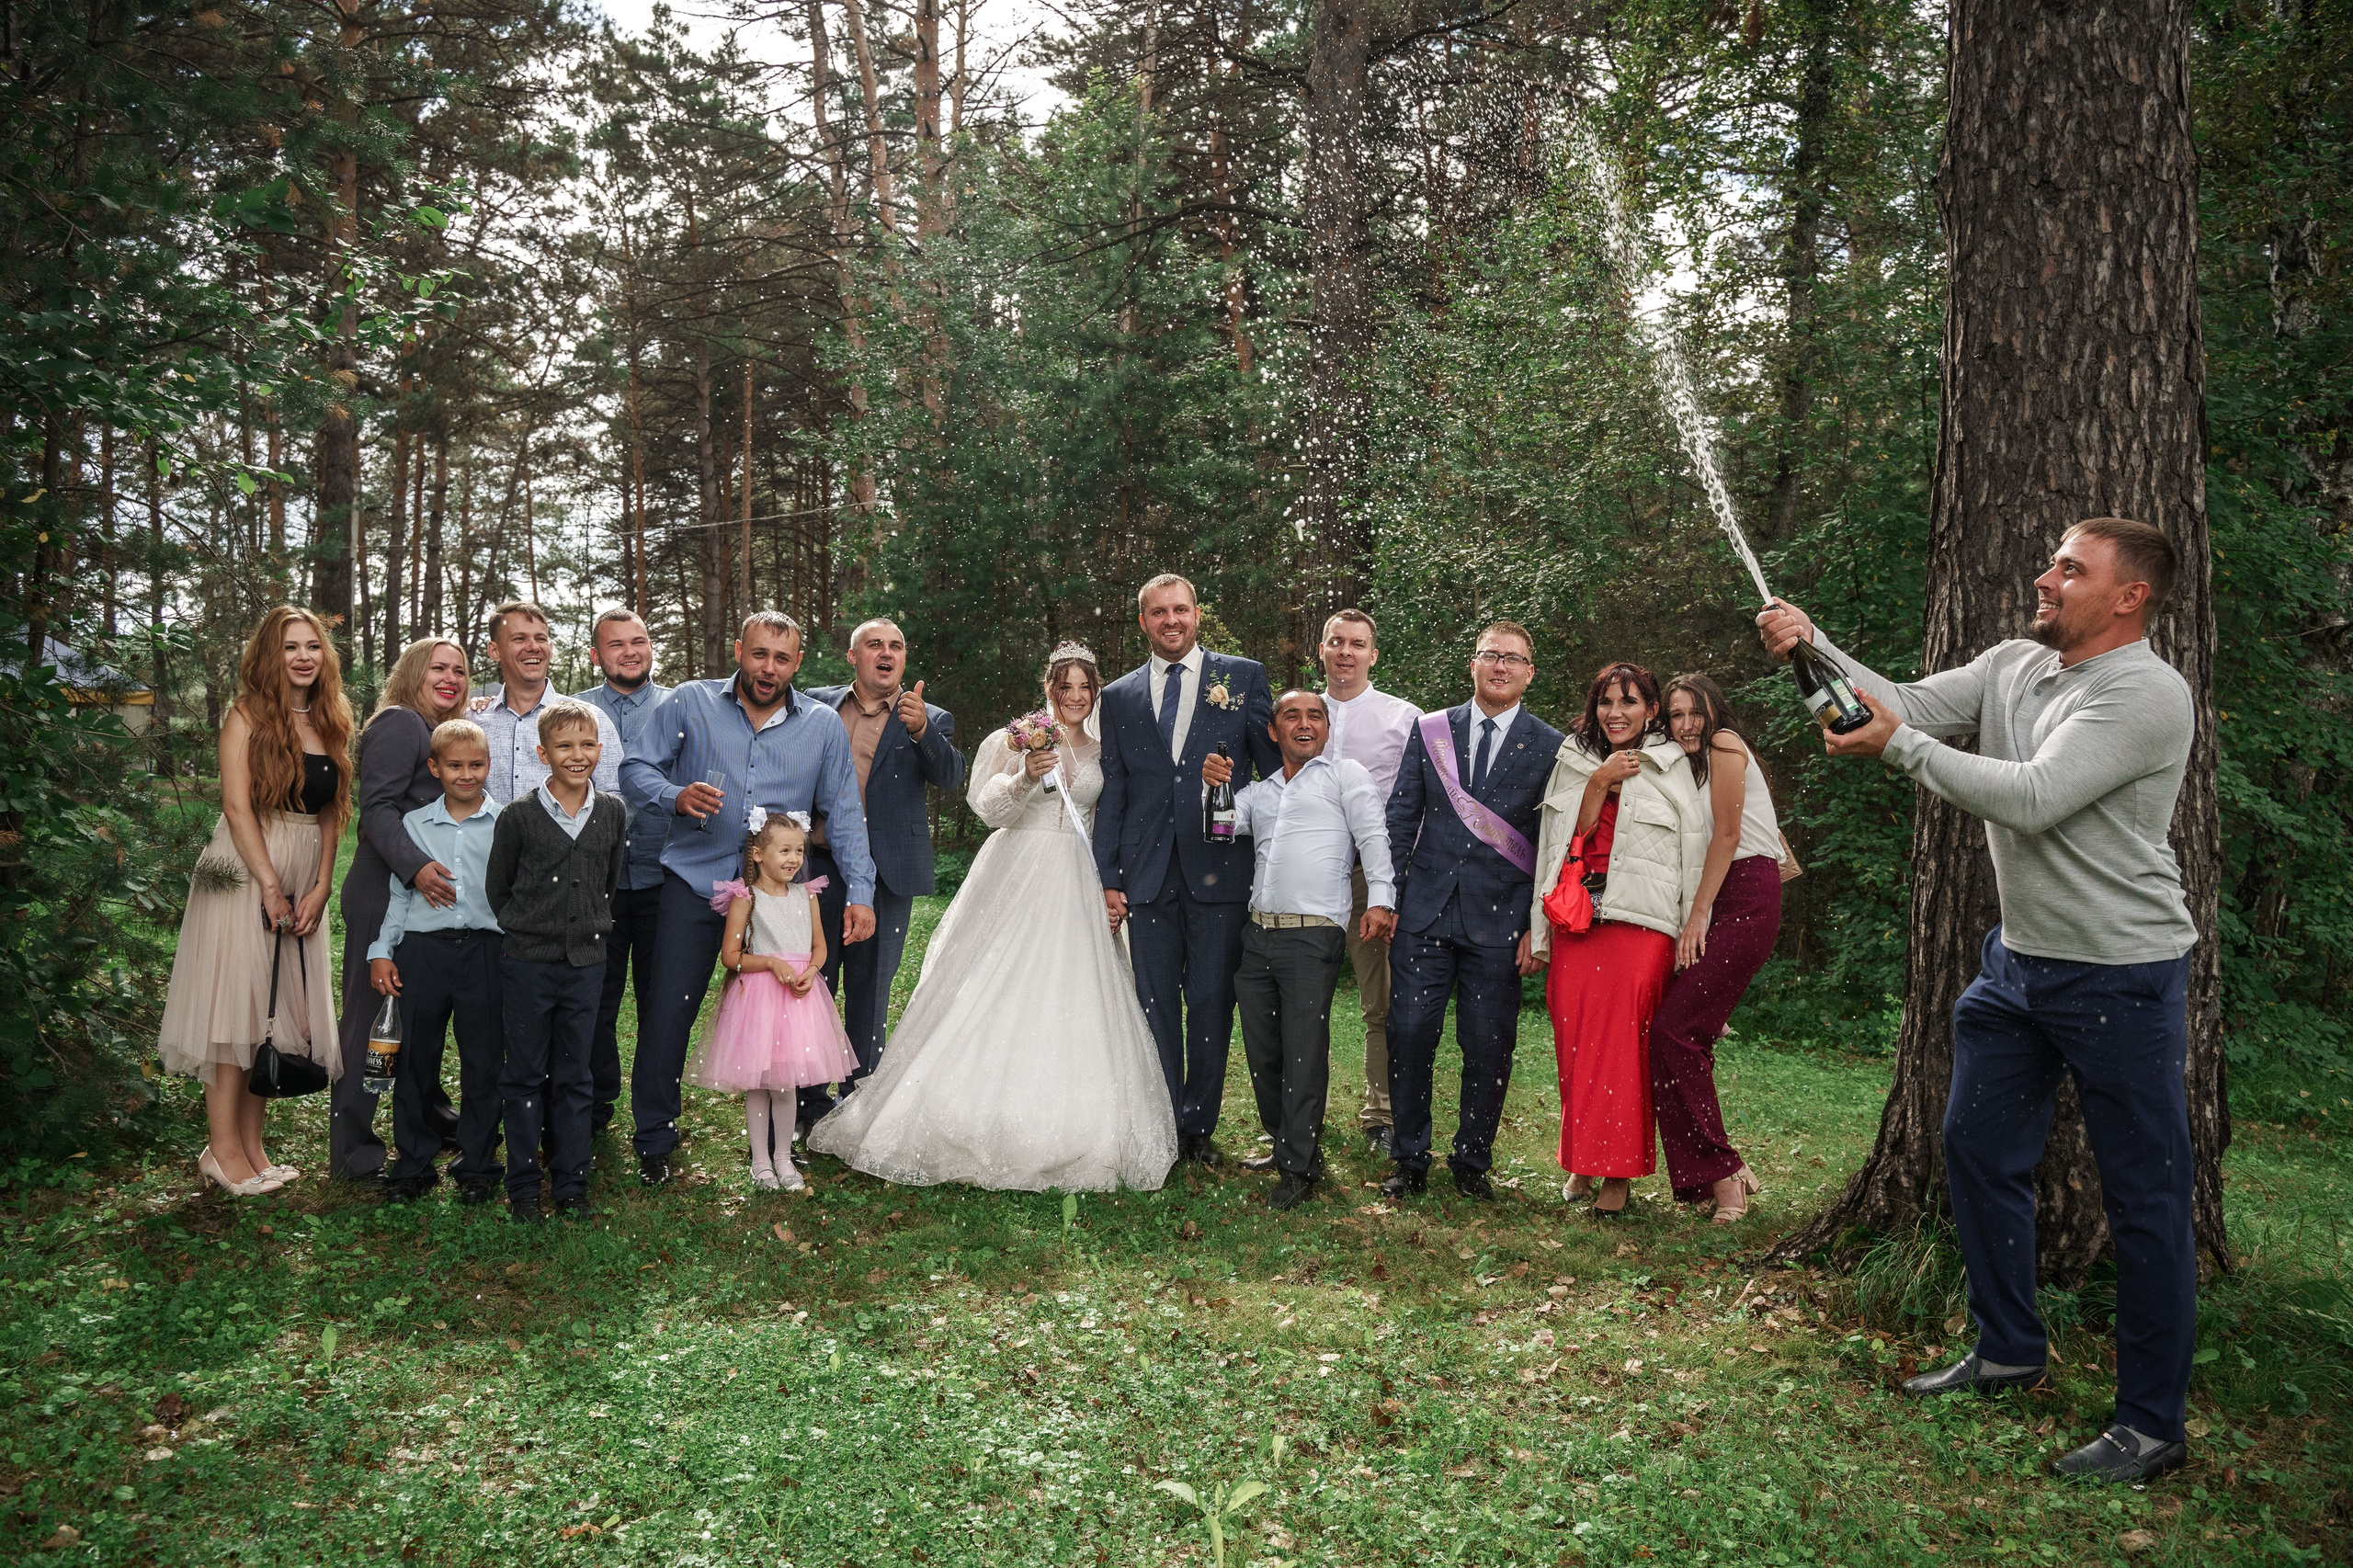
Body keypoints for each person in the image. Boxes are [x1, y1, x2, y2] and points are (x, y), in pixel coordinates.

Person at [1758, 516, 2200, 1484]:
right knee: (1972, 1145)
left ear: (2129, 596)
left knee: (2146, 1197)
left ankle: (2150, 1423)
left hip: (2119, 974)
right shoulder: (2012, 662)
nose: (2043, 578)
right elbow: (1906, 700)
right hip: (2019, 966)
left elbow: (2036, 793)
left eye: (2069, 569)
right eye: (2048, 559)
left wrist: (1898, 749)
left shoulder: (2145, 693)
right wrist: (1813, 641)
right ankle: (2008, 1346)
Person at [811, 643, 1177, 1192]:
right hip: (1017, 867)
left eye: (1084, 687)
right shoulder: (1012, 739)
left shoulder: (1105, 749)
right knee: (990, 982)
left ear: (1095, 691)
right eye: (1063, 686)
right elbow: (986, 809)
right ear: (1048, 688)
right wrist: (1026, 776)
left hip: (1075, 879)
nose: (1074, 697)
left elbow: (1108, 819)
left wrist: (1111, 884)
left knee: (1072, 991)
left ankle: (1074, 1119)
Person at [620, 610, 876, 1187]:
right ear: (739, 649)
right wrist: (673, 794)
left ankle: (790, 1134)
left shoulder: (820, 726)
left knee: (790, 1014)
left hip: (778, 899)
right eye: (759, 654)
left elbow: (846, 815)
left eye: (781, 658)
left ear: (798, 662)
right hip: (695, 881)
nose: (768, 669)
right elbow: (634, 768)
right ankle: (655, 1136)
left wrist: (860, 890)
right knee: (669, 1010)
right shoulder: (690, 703)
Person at [159, 607, 353, 1196]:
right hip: (246, 866)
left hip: (302, 871)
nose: (303, 657)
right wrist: (269, 883)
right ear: (270, 655)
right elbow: (237, 807)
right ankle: (221, 1153)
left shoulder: (331, 718)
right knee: (234, 1012)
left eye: (312, 647)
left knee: (271, 1013)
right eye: (291, 647)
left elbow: (330, 812)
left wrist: (319, 883)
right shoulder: (246, 716)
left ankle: (252, 1148)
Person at [1093, 574, 1279, 1165]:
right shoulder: (1118, 696)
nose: (1170, 621)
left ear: (1197, 614)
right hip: (1146, 873)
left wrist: (1229, 788)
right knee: (1153, 1002)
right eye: (1157, 613)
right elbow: (1116, 788)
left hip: (1219, 866)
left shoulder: (1241, 676)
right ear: (1142, 620)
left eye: (1180, 610)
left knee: (1208, 999)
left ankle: (1198, 1126)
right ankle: (1164, 1120)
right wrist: (1109, 875)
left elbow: (1273, 767)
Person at [1380, 621, 1566, 1202]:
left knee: (1487, 1044)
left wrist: (1537, 930)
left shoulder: (1551, 745)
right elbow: (1401, 817)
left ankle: (1471, 1163)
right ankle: (1409, 1158)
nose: (1501, 667)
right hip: (1425, 915)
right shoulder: (1432, 730)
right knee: (1409, 1034)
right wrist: (1390, 898)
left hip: (1501, 922)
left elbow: (1552, 842)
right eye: (1491, 656)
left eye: (1513, 660)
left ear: (1529, 673)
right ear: (1474, 664)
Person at [1204, 690, 1396, 1211]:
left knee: (1303, 1050)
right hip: (1258, 934)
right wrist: (1215, 786)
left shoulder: (1345, 776)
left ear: (1327, 730)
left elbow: (1374, 838)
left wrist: (1381, 899)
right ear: (1274, 731)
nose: (1305, 724)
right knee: (1264, 1050)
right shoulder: (1259, 792)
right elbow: (1221, 829)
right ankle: (1283, 1141)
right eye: (1292, 716)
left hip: (1314, 935)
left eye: (1315, 716)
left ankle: (1299, 1167)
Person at [1529, 663, 1707, 1218]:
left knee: (1626, 1052)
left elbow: (1696, 854)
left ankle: (1618, 1177)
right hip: (1579, 923)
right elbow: (1561, 843)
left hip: (1642, 926)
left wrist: (1690, 937)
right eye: (1607, 701)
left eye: (1630, 702)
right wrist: (1601, 780)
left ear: (1652, 710)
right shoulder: (1573, 759)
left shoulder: (1675, 764)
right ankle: (1584, 1159)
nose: (1617, 712)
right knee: (1577, 1047)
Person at [800, 618, 964, 1127]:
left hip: (888, 873)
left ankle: (861, 1102)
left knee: (871, 990)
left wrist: (921, 731)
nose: (886, 653)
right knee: (813, 982)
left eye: (896, 645)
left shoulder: (929, 716)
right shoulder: (814, 705)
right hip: (819, 867)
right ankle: (807, 1101)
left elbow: (951, 776)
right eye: (875, 645)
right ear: (854, 657)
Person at [330, 636, 470, 1181]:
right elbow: (377, 811)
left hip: (417, 893)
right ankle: (353, 1150)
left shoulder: (430, 731)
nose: (451, 679)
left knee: (414, 1017)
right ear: (413, 672)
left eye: (459, 671)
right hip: (381, 890)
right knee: (370, 1025)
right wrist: (415, 866)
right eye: (439, 667)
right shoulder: (398, 723)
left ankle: (432, 1121)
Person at [483, 701, 629, 1224]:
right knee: (523, 1073)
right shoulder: (518, 816)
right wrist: (533, 931)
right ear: (543, 753)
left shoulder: (611, 812)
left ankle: (571, 1184)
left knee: (575, 1074)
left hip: (586, 964)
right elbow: (498, 889)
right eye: (565, 746)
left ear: (600, 749)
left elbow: (607, 883)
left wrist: (584, 930)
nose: (577, 755)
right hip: (527, 963)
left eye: (587, 745)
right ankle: (523, 1187)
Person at [1652, 674, 1780, 1221]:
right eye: (1676, 715)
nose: (1686, 725)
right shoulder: (1688, 768)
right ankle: (1713, 1177)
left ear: (1714, 711)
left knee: (1673, 1032)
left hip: (1745, 893)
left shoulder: (1727, 744)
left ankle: (1723, 1176)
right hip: (1711, 894)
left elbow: (1729, 837)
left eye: (1694, 713)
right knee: (1675, 1036)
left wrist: (1700, 913)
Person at [368, 720, 506, 1205]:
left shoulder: (506, 823)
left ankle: (479, 1164)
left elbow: (512, 897)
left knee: (484, 1061)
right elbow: (398, 898)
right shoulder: (415, 825)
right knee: (414, 1062)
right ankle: (412, 1164)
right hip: (423, 953)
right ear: (434, 768)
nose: (466, 774)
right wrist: (382, 950)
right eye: (454, 765)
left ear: (489, 766)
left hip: (486, 954)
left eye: (476, 764)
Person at [687, 812, 858, 1192]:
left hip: (800, 1000)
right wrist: (769, 962)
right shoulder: (745, 898)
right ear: (759, 853)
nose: (794, 859)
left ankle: (784, 1157)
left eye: (799, 850)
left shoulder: (807, 894)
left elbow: (819, 946)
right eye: (784, 850)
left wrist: (812, 971)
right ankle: (761, 1161)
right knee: (759, 1084)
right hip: (760, 1001)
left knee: (787, 1083)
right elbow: (731, 956)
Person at [1315, 608, 1421, 1158]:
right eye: (1336, 642)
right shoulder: (1300, 713)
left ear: (1373, 654)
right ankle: (1298, 1108)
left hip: (1368, 874)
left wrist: (1394, 883)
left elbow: (1416, 802)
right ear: (1323, 650)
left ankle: (1381, 1111)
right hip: (1307, 874)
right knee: (1302, 997)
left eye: (1357, 644)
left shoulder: (1404, 718)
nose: (1346, 652)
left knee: (1378, 999)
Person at [573, 608, 671, 1135]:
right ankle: (595, 1105)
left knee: (660, 1007)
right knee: (595, 1002)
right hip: (594, 884)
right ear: (596, 654)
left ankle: (655, 1118)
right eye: (616, 645)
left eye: (639, 641)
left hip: (662, 878)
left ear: (651, 647)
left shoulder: (682, 706)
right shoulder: (572, 710)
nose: (629, 652)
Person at [475, 600, 622, 805]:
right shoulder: (474, 721)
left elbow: (617, 796)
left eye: (540, 638)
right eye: (519, 638)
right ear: (494, 651)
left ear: (550, 648)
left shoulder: (591, 718)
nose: (533, 647)